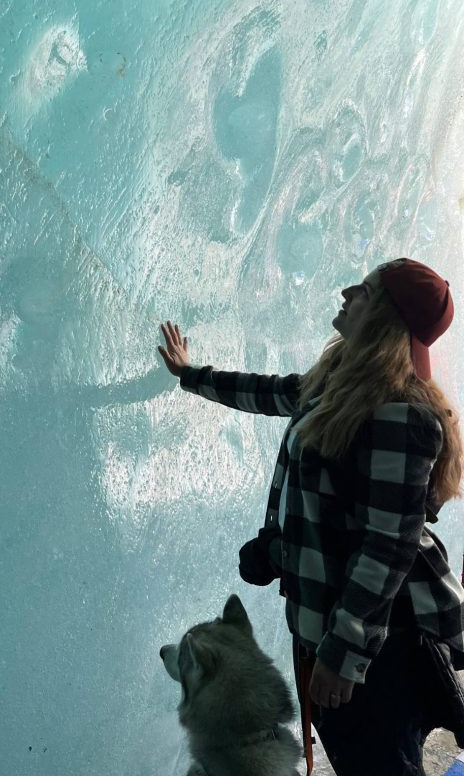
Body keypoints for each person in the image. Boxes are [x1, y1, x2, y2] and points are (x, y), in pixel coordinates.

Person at [157, 258, 464, 776]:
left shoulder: (402, 414)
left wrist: (344, 655)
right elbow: (269, 392)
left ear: (386, 317)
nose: (346, 292)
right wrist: (190, 375)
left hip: (378, 643)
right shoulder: (338, 386)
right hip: (333, 626)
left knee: (379, 764)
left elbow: (389, 547)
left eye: (364, 291)